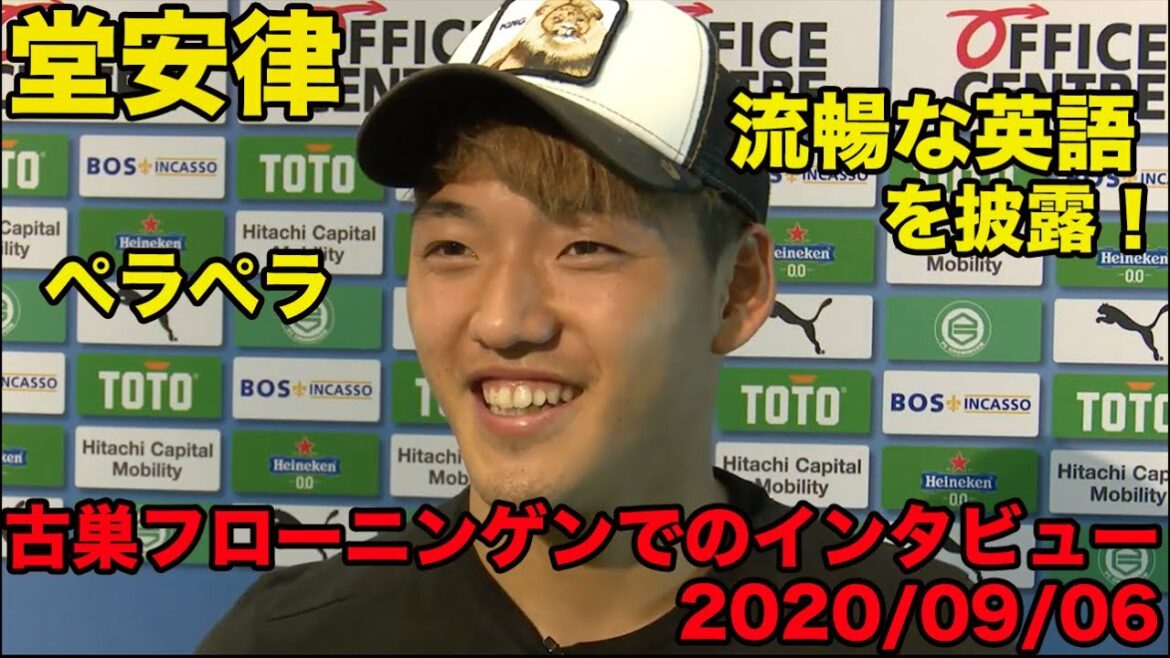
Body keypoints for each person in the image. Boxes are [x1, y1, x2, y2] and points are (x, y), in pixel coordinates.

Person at [197, 0, 1005, 653]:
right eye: (453, 248)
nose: (503, 320)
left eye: (586, 248)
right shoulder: (291, 636)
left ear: (739, 289)